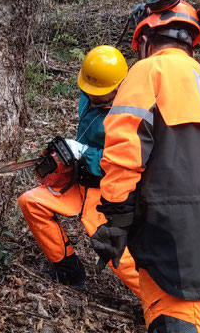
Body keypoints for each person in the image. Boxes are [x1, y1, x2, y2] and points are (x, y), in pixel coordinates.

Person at [90, 0, 200, 333]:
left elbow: (124, 146)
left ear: (146, 37)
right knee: (196, 316)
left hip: (171, 222)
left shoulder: (149, 70)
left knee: (171, 317)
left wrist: (116, 218)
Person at [18, 45, 140, 297]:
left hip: (106, 192)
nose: (92, 98)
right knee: (31, 202)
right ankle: (69, 271)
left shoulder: (130, 115)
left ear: (119, 87)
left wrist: (85, 152)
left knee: (118, 253)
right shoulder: (90, 89)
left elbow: (122, 162)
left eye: (100, 95)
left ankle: (166, 309)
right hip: (79, 179)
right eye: (89, 92)